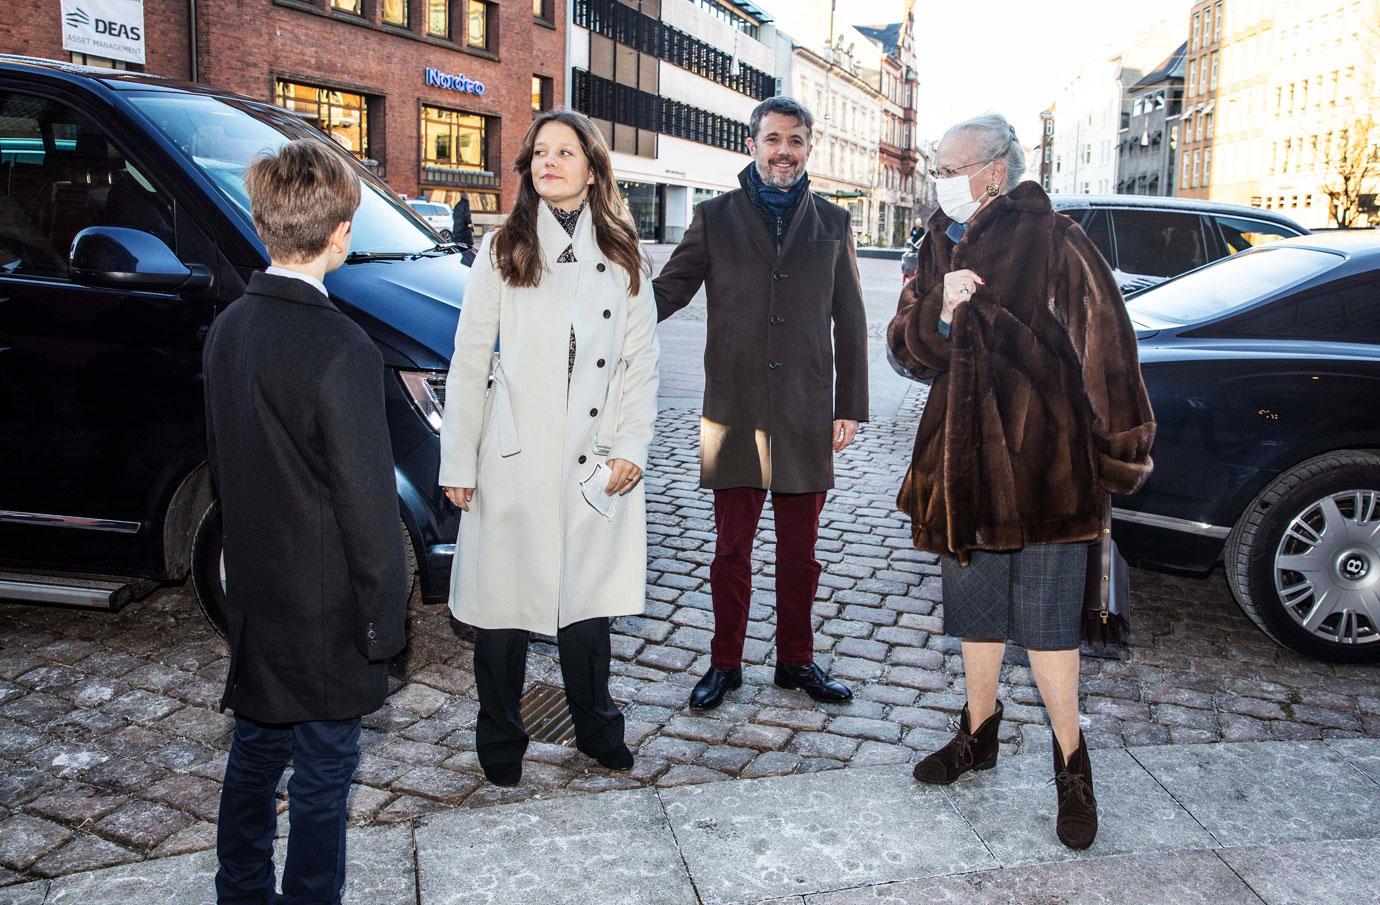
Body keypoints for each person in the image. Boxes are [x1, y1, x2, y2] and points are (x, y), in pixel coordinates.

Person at [887, 113, 1155, 850]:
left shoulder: (1056, 240)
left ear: (996, 169)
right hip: (961, 467)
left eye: (950, 164)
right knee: (975, 613)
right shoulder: (937, 240)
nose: (938, 177)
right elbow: (907, 351)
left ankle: (1074, 765)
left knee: (1046, 627)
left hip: (1042, 469)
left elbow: (1109, 350)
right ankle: (978, 733)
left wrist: (1120, 450)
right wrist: (938, 311)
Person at [203, 139, 409, 903]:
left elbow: (223, 463)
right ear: (342, 234)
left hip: (258, 591)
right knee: (324, 773)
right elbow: (367, 504)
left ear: (262, 226)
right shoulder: (343, 345)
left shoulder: (228, 329)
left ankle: (240, 889)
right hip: (326, 609)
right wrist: (384, 624)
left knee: (254, 753)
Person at [439, 109, 660, 787]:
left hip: (593, 461)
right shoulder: (503, 247)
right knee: (501, 614)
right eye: (540, 152)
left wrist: (630, 445)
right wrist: (459, 457)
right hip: (513, 459)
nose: (550, 162)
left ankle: (597, 730)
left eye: (566, 151)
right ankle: (500, 742)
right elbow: (471, 356)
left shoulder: (623, 253)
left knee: (587, 617)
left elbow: (639, 361)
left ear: (593, 167)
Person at [654, 96, 869, 711]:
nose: (784, 151)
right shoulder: (713, 217)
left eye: (795, 140)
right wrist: (607, 307)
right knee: (730, 551)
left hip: (806, 410)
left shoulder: (833, 222)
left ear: (808, 147)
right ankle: (725, 663)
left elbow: (850, 318)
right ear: (753, 144)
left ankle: (796, 660)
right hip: (734, 408)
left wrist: (848, 403)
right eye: (773, 138)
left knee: (801, 555)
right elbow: (667, 292)